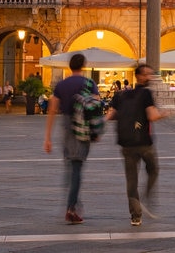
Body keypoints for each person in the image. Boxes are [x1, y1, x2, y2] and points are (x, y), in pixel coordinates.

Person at [43, 53, 100, 225]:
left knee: (70, 166)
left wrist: (48, 137)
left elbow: (52, 109)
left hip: (66, 127)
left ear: (69, 66)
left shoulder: (61, 84)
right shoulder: (89, 84)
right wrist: (96, 131)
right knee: (76, 168)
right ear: (83, 65)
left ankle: (73, 203)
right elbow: (96, 106)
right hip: (81, 127)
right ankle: (71, 208)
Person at [107, 64, 166, 227]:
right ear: (139, 76)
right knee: (153, 169)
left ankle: (135, 216)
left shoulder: (121, 95)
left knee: (131, 181)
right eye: (147, 74)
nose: (150, 77)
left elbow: (111, 115)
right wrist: (163, 114)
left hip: (126, 143)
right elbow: (152, 116)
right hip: (144, 143)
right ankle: (146, 197)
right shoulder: (146, 93)